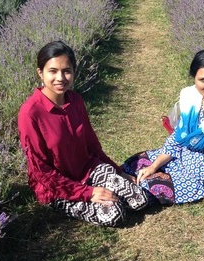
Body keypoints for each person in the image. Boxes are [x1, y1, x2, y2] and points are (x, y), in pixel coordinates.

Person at [122, 49, 204, 233]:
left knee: (148, 188)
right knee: (136, 163)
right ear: (194, 78)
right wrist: (154, 166)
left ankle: (111, 199)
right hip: (182, 158)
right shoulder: (192, 98)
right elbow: (178, 139)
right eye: (203, 80)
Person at [18, 40, 148, 227]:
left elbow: (92, 146)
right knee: (114, 214)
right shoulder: (30, 113)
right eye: (53, 71)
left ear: (74, 72)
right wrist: (88, 193)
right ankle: (98, 199)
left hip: (88, 169)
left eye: (67, 71)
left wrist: (118, 172)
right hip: (58, 186)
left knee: (139, 199)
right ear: (41, 73)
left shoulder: (75, 101)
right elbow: (41, 171)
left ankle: (111, 193)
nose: (60, 78)